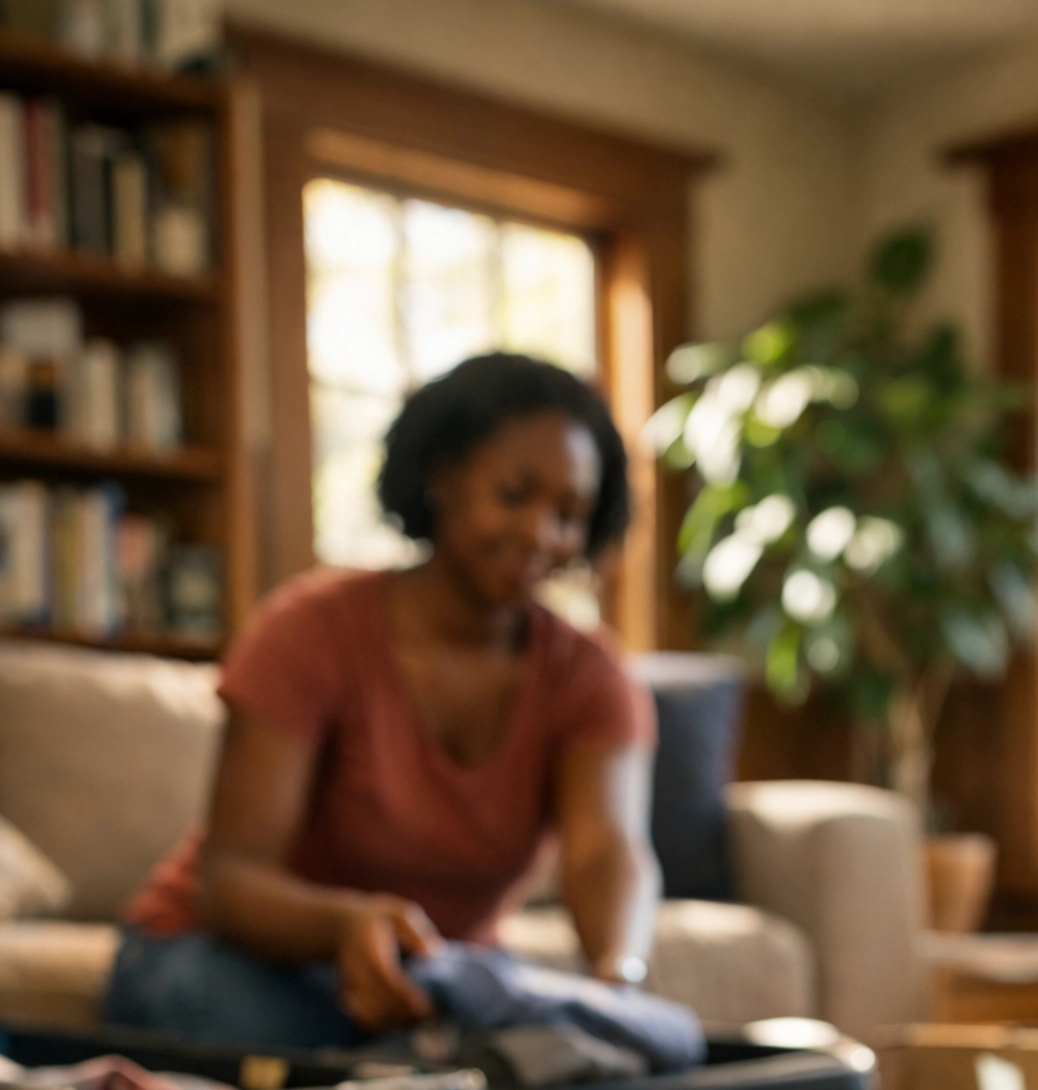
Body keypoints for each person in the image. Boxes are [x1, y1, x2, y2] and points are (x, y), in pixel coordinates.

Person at [109, 351, 660, 1049]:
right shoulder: (308, 630)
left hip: (429, 979)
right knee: (283, 1029)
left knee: (534, 1049)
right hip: (221, 960)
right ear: (442, 475)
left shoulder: (590, 675)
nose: (541, 534)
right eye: (515, 495)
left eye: (570, 513)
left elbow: (606, 848)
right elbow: (230, 880)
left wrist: (617, 977)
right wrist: (347, 925)